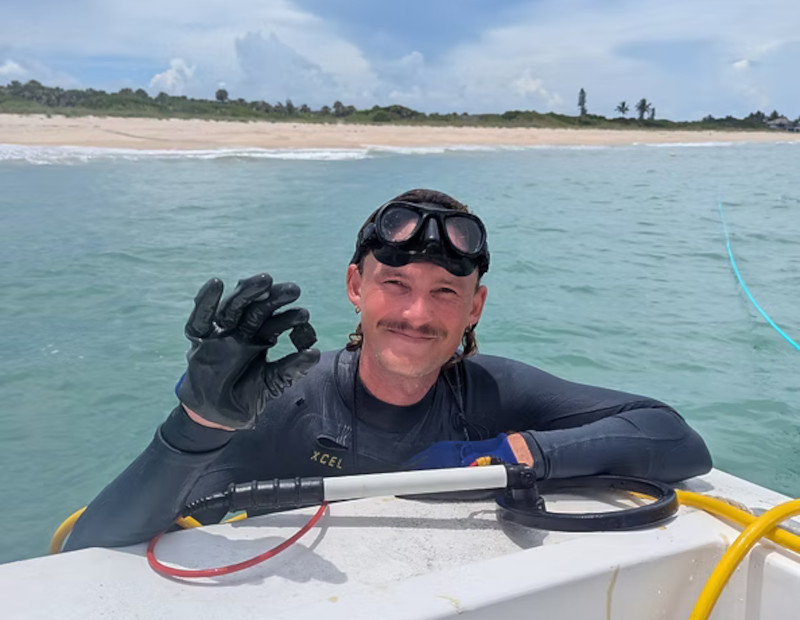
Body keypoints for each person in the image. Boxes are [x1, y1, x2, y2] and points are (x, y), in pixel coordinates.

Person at [65, 188, 712, 550]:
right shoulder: (287, 403)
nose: (417, 314)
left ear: (475, 306)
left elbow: (673, 437)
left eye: (445, 292)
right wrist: (196, 424)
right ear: (356, 286)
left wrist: (506, 453)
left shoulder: (491, 392)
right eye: (395, 284)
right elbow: (87, 552)